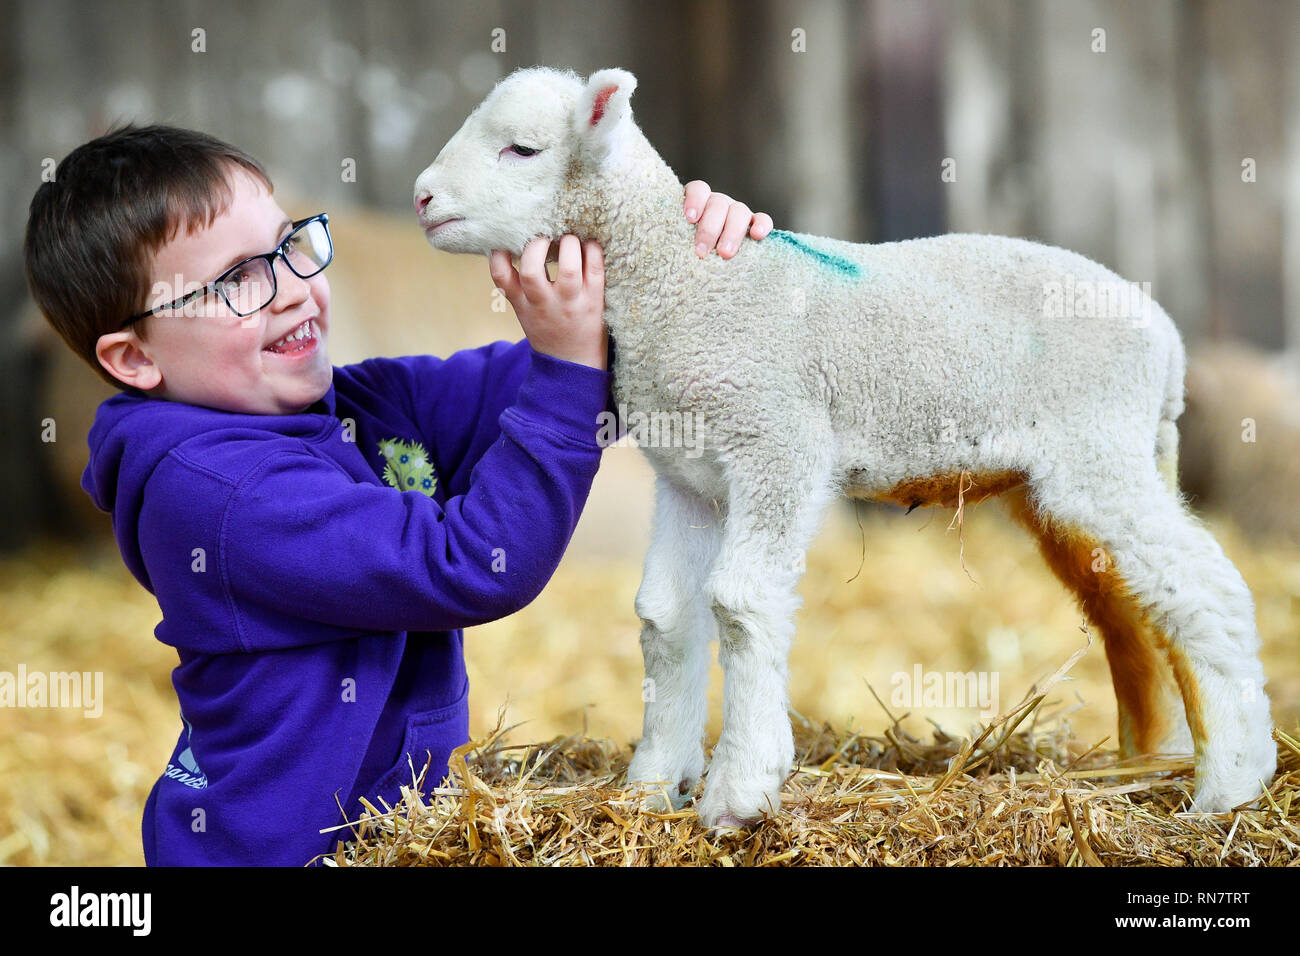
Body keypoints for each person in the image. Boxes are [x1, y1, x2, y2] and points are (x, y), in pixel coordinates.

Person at [22, 123, 771, 865]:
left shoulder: (350, 410)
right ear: (135, 357)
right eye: (238, 280)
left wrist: (677, 276)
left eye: (290, 245)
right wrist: (569, 367)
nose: (294, 290)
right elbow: (473, 563)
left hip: (386, 842)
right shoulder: (221, 498)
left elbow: (528, 385)